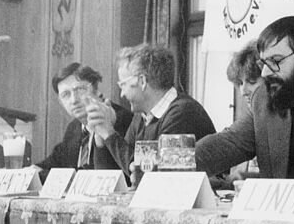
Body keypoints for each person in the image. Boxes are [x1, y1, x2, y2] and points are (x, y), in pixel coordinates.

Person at [195, 16, 294, 179]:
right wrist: (172, 163)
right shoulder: (266, 99)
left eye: (276, 61)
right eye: (264, 64)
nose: (265, 73)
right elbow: (225, 144)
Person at [86, 44, 216, 177]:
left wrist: (109, 134)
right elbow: (122, 177)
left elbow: (148, 176)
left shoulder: (183, 114)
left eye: (122, 84)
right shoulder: (142, 116)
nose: (122, 95)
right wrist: (101, 136)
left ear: (142, 81)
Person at [33, 62, 132, 181]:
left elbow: (95, 175)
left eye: (80, 90)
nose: (74, 100)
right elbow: (56, 160)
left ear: (96, 90)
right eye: (66, 95)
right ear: (61, 102)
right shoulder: (74, 127)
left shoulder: (120, 119)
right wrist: (34, 169)